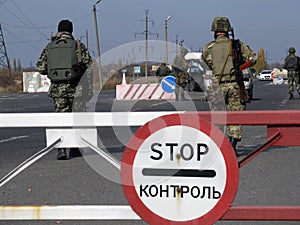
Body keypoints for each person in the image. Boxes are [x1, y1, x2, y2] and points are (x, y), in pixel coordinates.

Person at [37, 19, 93, 160]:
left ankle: (61, 149)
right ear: (71, 31)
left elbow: (41, 68)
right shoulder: (78, 46)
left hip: (58, 91)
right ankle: (75, 149)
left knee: (61, 120)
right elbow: (90, 68)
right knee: (77, 120)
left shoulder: (50, 46)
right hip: (77, 90)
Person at [202, 16, 256, 155]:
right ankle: (232, 146)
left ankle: (218, 147)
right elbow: (253, 59)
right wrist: (239, 67)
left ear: (214, 30)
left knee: (217, 117)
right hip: (235, 85)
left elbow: (206, 63)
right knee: (236, 116)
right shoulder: (237, 45)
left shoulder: (208, 48)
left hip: (216, 87)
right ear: (228, 29)